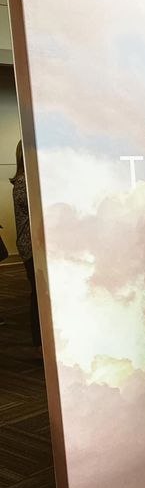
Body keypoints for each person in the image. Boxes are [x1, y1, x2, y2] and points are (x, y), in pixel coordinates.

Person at [11, 140, 42, 358]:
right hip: (32, 247)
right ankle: (40, 345)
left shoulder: (30, 182)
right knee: (39, 296)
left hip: (36, 245)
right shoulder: (24, 183)